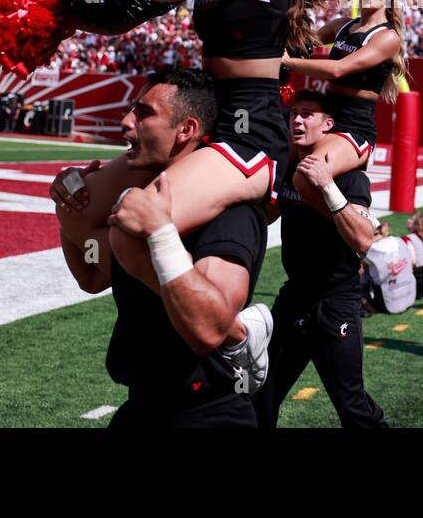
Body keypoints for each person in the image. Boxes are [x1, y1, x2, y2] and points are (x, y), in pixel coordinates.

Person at [70, 0, 328, 367]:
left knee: (131, 224)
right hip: (213, 117)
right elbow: (132, 13)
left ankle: (236, 337)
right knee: (83, 202)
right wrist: (63, 11)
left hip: (251, 130)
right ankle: (163, 307)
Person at [51, 68, 268, 427]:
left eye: (144, 113)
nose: (126, 122)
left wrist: (162, 234)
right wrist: (71, 205)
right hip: (143, 406)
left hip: (207, 414)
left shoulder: (231, 214)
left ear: (186, 130)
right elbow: (90, 276)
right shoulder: (143, 200)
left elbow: (210, 330)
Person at [255, 88, 386, 428]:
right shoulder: (288, 164)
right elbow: (269, 213)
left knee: (350, 402)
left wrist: (327, 187)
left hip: (335, 301)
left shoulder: (349, 175)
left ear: (328, 124)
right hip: (295, 295)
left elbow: (362, 239)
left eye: (307, 113)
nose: (297, 119)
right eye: (294, 112)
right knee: (260, 390)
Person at [281, 0, 407, 209]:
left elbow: (339, 69)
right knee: (280, 171)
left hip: (354, 126)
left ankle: (351, 229)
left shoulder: (387, 37)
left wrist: (288, 61)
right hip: (327, 116)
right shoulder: (342, 26)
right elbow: (303, 42)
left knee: (304, 174)